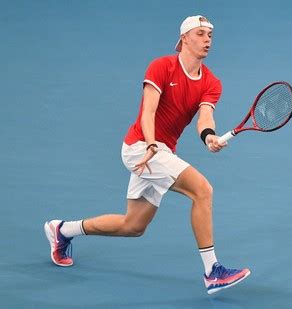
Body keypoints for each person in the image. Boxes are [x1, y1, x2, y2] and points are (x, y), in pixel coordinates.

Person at [44, 15, 251, 295]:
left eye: (210, 36)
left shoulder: (212, 82)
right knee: (202, 190)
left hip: (162, 151)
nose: (207, 41)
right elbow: (148, 111)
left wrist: (209, 136)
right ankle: (212, 271)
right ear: (184, 39)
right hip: (141, 146)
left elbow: (205, 117)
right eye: (200, 34)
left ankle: (63, 230)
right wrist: (152, 143)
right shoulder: (162, 66)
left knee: (133, 225)